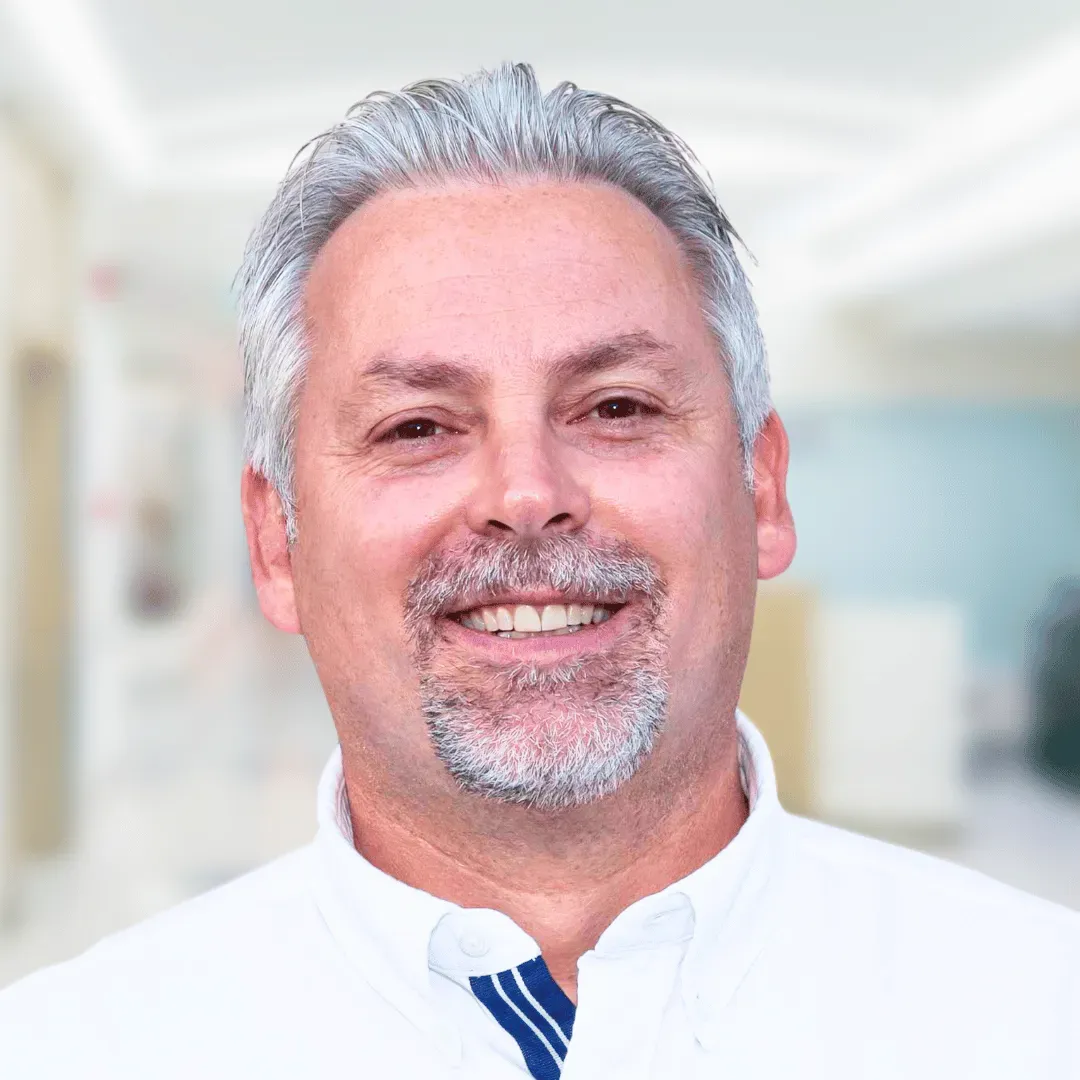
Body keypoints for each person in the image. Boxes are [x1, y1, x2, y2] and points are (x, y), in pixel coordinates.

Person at [1, 62, 1077, 1079]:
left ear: (762, 491)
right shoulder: (72, 1051)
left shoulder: (1035, 1017)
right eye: (417, 425)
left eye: (617, 408)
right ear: (276, 541)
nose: (526, 492)